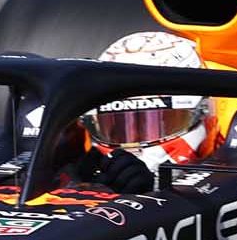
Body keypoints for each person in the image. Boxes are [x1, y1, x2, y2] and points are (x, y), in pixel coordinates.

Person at [73, 31, 223, 193]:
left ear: (204, 111)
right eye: (118, 128)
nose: (133, 148)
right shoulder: (86, 154)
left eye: (156, 124)